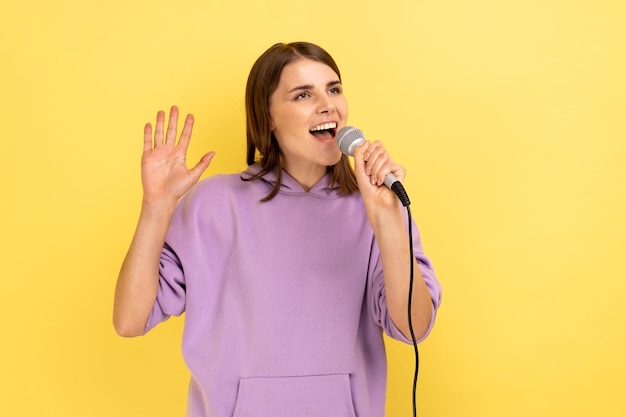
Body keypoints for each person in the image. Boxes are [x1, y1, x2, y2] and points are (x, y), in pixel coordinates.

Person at [113, 41, 442, 417]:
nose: (328, 104)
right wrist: (156, 208)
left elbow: (414, 330)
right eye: (303, 94)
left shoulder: (378, 206)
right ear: (267, 116)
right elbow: (129, 320)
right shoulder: (214, 204)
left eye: (333, 89)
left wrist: (387, 220)